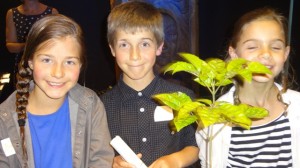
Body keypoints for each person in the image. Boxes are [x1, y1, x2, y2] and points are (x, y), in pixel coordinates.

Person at [0, 14, 114, 168]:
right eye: (47, 60)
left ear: (80, 65)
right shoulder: (4, 118)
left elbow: (101, 160)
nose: (58, 73)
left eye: (69, 62)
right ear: (30, 61)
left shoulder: (90, 105)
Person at [196, 7, 300, 167]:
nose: (266, 54)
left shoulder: (297, 107)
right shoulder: (214, 118)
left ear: (285, 54)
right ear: (234, 53)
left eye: (276, 47)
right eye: (252, 47)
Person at [101, 1, 199, 168]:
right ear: (112, 49)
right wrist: (111, 162)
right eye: (124, 45)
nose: (135, 56)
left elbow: (195, 146)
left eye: (144, 44)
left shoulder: (182, 97)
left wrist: (174, 161)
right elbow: (96, 154)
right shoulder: (101, 106)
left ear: (159, 47)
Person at [1, 0, 59, 103]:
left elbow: (56, 43)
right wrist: (29, 45)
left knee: (46, 98)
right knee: (24, 101)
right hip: (22, 67)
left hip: (46, 65)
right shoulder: (12, 13)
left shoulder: (52, 12)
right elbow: (10, 46)